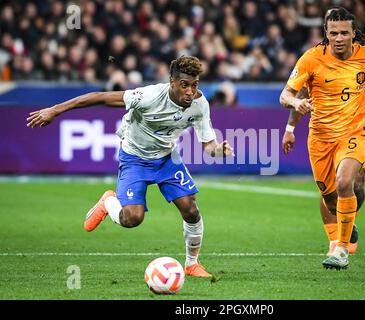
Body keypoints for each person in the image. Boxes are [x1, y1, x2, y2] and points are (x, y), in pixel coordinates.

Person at [27, 56, 234, 277]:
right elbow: (100, 98)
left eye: (194, 85)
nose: (190, 91)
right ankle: (108, 202)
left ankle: (192, 264)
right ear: (172, 82)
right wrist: (55, 110)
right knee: (132, 218)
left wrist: (218, 151)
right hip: (135, 157)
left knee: (191, 210)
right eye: (185, 85)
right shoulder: (148, 96)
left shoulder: (200, 104)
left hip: (167, 158)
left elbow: (208, 145)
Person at [279, 7, 365, 270]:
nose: (339, 38)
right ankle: (346, 225)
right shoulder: (311, 59)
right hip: (320, 137)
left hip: (355, 130)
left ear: (354, 34)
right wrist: (295, 105)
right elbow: (285, 95)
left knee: (345, 182)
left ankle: (341, 250)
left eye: (344, 33)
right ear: (326, 34)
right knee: (330, 199)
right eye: (333, 33)